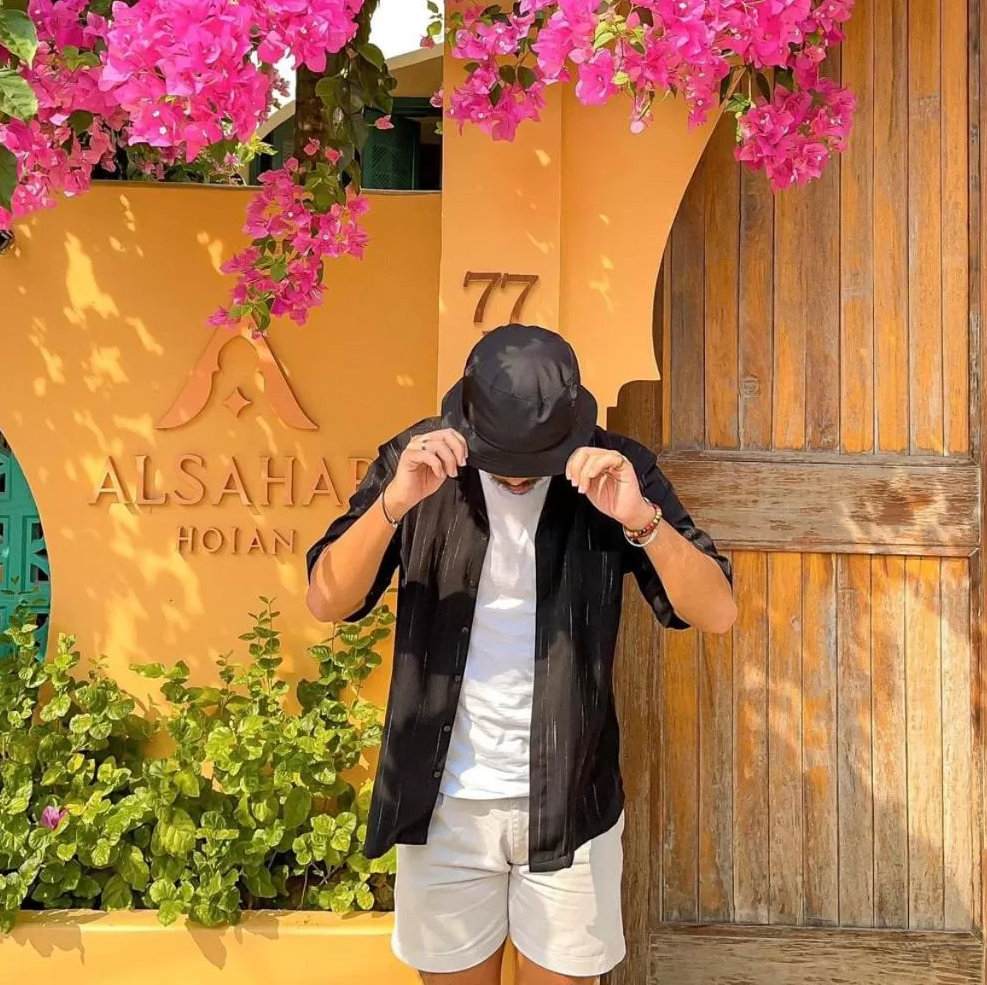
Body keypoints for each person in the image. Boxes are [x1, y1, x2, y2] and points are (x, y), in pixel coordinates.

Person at [306, 325, 736, 985]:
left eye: (533, 465)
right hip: (441, 803)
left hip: (570, 799)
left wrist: (641, 520)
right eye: (498, 461)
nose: (513, 478)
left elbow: (717, 611)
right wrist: (393, 503)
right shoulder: (420, 459)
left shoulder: (617, 467)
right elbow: (327, 599)